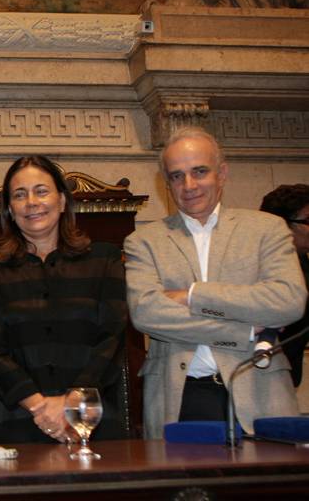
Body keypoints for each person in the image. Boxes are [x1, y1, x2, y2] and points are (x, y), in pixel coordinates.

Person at [125, 126, 306, 438]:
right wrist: (243, 330)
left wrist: (194, 295)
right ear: (166, 183)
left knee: (265, 488)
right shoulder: (143, 241)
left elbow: (287, 301)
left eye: (200, 171)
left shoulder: (267, 229)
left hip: (261, 390)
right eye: (177, 176)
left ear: (222, 173)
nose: (189, 185)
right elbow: (147, 312)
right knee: (188, 488)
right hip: (180, 397)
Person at [0, 156, 127, 444]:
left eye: (41, 191)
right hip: (20, 423)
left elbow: (112, 340)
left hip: (95, 421)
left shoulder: (105, 260)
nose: (31, 202)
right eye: (20, 194)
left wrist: (71, 401)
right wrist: (42, 408)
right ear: (9, 209)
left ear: (63, 201)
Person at [260, 184, 309, 386]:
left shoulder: (304, 261)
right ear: (281, 226)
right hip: (261, 375)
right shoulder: (261, 269)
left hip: (288, 375)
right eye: (308, 220)